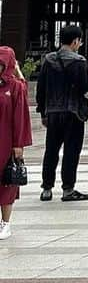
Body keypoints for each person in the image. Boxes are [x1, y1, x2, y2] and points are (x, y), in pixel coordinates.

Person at [36, 22, 88, 202]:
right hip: (73, 112)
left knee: (51, 150)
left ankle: (46, 188)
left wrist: (42, 111)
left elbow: (41, 88)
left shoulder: (48, 60)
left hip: (53, 112)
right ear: (76, 41)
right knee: (71, 151)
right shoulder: (80, 62)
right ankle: (68, 188)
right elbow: (84, 87)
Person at [0, 46, 32, 239]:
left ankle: (5, 223)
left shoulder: (16, 87)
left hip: (7, 142)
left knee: (7, 182)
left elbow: (21, 117)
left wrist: (18, 144)